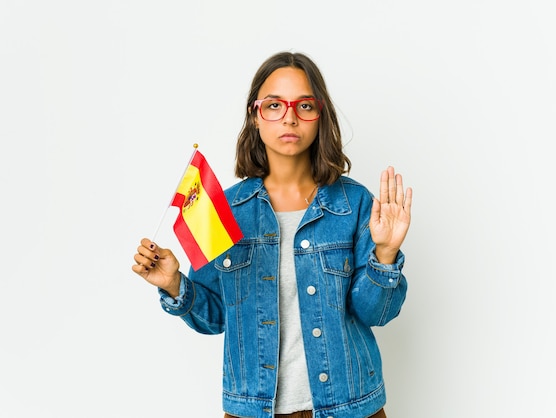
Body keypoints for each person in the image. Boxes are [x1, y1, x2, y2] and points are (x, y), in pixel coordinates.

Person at [132, 51, 413, 418]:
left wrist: (386, 254)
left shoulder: (356, 204)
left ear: (320, 115)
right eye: (274, 105)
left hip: (350, 408)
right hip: (252, 410)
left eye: (305, 105)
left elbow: (374, 312)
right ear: (255, 115)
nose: (290, 117)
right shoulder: (225, 211)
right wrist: (173, 285)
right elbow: (216, 317)